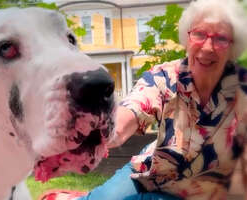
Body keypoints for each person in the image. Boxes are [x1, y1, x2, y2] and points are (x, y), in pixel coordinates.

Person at [42, 0, 247, 199]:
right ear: (187, 38)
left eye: (221, 38)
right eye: (199, 34)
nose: (208, 47)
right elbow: (126, 118)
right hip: (152, 172)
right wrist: (83, 134)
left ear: (232, 46)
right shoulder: (165, 77)